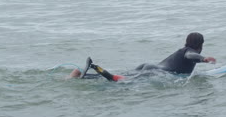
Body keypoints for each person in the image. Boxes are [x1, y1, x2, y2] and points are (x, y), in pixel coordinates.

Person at [69, 32, 216, 81]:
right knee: (123, 82)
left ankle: (81, 75)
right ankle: (96, 71)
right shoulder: (189, 52)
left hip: (150, 66)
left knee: (126, 76)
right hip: (157, 72)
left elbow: (190, 56)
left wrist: (202, 60)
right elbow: (192, 56)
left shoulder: (182, 50)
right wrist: (204, 59)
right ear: (200, 45)